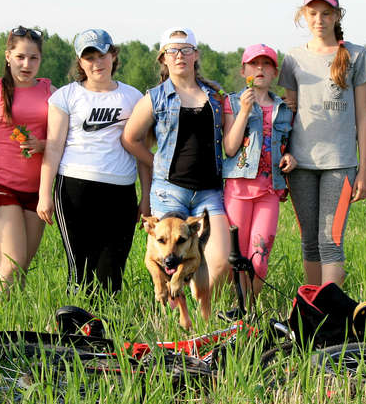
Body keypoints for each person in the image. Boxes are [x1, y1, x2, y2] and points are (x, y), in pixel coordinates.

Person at [37, 29, 148, 295]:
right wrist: (44, 194)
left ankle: (109, 331)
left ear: (113, 55)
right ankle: (75, 329)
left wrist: (146, 198)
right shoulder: (65, 96)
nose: (97, 63)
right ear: (80, 62)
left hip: (120, 191)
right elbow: (53, 147)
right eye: (89, 57)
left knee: (112, 272)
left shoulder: (133, 98)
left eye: (102, 55)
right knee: (80, 272)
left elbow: (142, 150)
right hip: (75, 188)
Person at [122, 27, 231, 295]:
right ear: (164, 58)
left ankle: (199, 305)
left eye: (186, 50)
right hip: (169, 192)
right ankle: (176, 327)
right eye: (173, 51)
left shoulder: (216, 96)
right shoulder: (155, 97)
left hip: (209, 192)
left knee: (220, 262)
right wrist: (156, 162)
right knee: (168, 262)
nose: (179, 55)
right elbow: (130, 138)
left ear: (195, 55)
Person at [278, 0, 366, 287]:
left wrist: (364, 170)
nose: (319, 19)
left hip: (340, 164)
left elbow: (362, 117)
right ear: (304, 15)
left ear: (337, 15)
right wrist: (281, 153)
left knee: (331, 241)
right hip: (301, 165)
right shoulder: (292, 58)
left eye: (326, 13)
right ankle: (312, 309)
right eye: (313, 12)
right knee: (309, 242)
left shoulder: (356, 56)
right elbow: (286, 115)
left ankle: (332, 312)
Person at [0, 26, 54, 299]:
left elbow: (60, 139)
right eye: (20, 57)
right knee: (11, 263)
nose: (26, 64)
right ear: (8, 56)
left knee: (22, 267)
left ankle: (12, 329)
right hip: (3, 187)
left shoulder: (49, 91)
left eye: (33, 58)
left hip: (37, 192)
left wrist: (42, 145)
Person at [222, 44, 295, 297]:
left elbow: (288, 146)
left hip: (269, 190)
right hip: (238, 189)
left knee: (260, 258)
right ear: (244, 71)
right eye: (254, 64)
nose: (260, 69)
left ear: (275, 72)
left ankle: (251, 307)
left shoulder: (284, 108)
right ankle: (238, 310)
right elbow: (230, 148)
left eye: (266, 64)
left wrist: (289, 158)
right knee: (237, 257)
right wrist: (244, 111)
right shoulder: (232, 102)